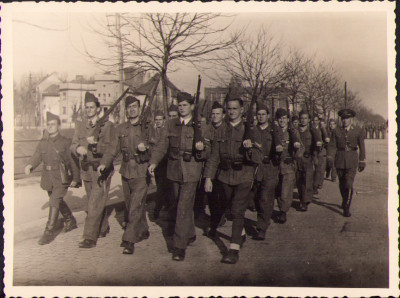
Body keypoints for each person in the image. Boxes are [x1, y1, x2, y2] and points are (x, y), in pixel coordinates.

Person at [148, 92, 208, 261]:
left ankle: (178, 246)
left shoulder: (200, 126)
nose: (182, 108)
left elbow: (209, 150)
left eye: (185, 105)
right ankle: (189, 233)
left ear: (192, 106)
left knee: (183, 206)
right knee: (178, 204)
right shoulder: (170, 124)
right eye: (179, 105)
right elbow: (161, 146)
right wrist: (153, 162)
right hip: (174, 171)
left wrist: (201, 147)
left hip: (191, 172)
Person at [204, 96, 261, 264]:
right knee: (231, 209)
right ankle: (241, 234)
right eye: (229, 109)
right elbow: (214, 157)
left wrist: (249, 148)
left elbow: (258, 157)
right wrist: (208, 178)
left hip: (244, 174)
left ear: (241, 110)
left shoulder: (250, 130)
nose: (231, 112)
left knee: (237, 210)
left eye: (235, 108)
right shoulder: (220, 130)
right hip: (225, 176)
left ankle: (233, 249)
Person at [99, 96, 151, 254]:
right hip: (126, 171)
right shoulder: (120, 129)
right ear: (126, 110)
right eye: (129, 107)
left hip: (141, 170)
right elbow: (112, 149)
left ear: (139, 108)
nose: (132, 109)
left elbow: (157, 144)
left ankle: (129, 240)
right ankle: (143, 229)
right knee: (131, 205)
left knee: (135, 206)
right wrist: (104, 163)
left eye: (135, 106)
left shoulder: (147, 127)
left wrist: (146, 146)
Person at [25, 112, 80, 245]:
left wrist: (76, 178)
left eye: (53, 124)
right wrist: (30, 165)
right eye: (48, 124)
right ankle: (70, 220)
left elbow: (73, 161)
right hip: (48, 178)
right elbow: (37, 155)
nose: (50, 127)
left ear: (58, 126)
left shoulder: (65, 142)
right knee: (55, 200)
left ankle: (48, 232)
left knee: (54, 200)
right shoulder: (43, 142)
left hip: (61, 178)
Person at [71, 92, 115, 248]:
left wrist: (96, 145)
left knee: (93, 204)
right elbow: (73, 144)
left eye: (92, 107)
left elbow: (111, 148)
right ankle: (103, 227)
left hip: (100, 169)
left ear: (98, 109)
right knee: (93, 201)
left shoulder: (107, 126)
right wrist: (78, 148)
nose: (89, 110)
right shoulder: (81, 125)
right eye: (87, 107)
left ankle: (89, 237)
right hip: (86, 170)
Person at [327, 109, 366, 217]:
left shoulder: (358, 130)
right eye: (343, 118)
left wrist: (362, 160)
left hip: (352, 160)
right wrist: (330, 157)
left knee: (349, 183)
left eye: (347, 118)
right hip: (339, 160)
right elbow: (332, 146)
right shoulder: (336, 131)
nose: (345, 121)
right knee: (342, 184)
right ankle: (344, 200)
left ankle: (346, 207)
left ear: (351, 119)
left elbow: (362, 146)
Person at [251, 102, 280, 240]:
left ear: (268, 116)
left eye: (263, 114)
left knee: (265, 197)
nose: (261, 117)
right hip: (256, 168)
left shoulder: (275, 131)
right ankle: (265, 218)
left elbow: (281, 149)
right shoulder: (252, 131)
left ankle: (261, 228)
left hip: (270, 168)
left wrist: (279, 152)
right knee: (257, 198)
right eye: (259, 114)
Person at [203, 101, 228, 236]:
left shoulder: (227, 129)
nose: (215, 116)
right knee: (211, 196)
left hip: (224, 168)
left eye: (218, 114)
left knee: (223, 195)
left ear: (223, 115)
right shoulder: (207, 129)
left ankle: (221, 215)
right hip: (210, 166)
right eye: (213, 114)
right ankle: (214, 221)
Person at [274, 108, 300, 224]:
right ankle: (281, 206)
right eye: (280, 118)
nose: (282, 121)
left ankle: (283, 211)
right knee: (278, 189)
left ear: (288, 119)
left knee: (286, 189)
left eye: (284, 118)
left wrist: (295, 154)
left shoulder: (293, 132)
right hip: (275, 165)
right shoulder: (273, 131)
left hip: (288, 164)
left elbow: (300, 147)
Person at [295, 111, 322, 212]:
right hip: (297, 158)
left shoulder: (312, 131)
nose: (303, 120)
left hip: (308, 158)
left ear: (309, 120)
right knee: (298, 180)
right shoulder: (295, 130)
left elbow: (318, 142)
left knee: (307, 180)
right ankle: (302, 197)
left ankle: (304, 201)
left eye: (305, 118)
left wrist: (317, 148)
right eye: (301, 118)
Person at [148, 110, 170, 219]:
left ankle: (157, 209)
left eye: (160, 120)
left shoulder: (166, 131)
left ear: (164, 120)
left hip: (166, 162)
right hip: (156, 163)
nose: (158, 122)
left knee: (163, 186)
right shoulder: (152, 131)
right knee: (160, 185)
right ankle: (164, 204)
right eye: (156, 120)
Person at [311, 115, 330, 194]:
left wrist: (323, 143)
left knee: (320, 169)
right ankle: (314, 185)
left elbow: (326, 139)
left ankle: (316, 185)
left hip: (321, 151)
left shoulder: (322, 129)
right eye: (313, 120)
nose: (314, 122)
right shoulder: (310, 129)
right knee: (314, 169)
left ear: (318, 121)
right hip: (313, 151)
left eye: (316, 120)